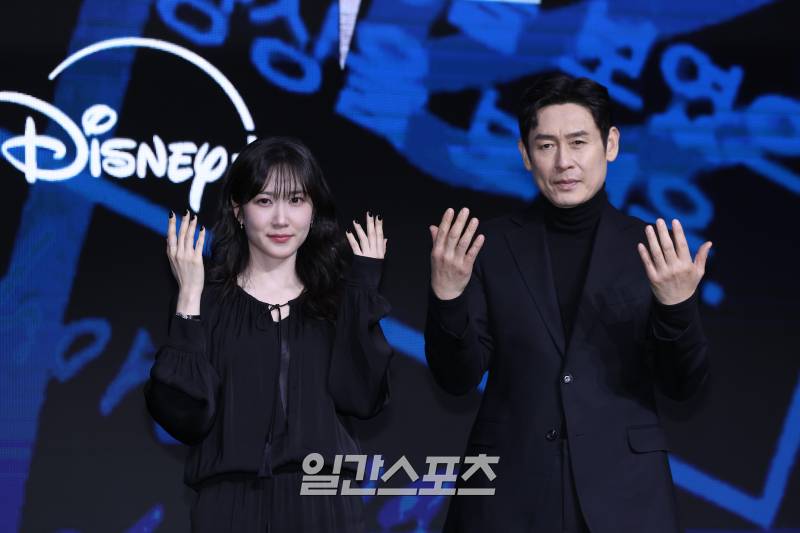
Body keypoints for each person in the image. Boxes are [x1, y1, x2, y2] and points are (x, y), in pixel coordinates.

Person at [425, 75, 711, 533]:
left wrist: (677, 307)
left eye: (578, 142)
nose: (564, 162)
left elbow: (683, 386)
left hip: (624, 495)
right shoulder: (488, 247)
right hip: (509, 496)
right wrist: (448, 296)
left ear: (610, 144)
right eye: (546, 145)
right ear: (525, 154)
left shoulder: (655, 250)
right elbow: (456, 379)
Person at [144, 137, 392, 532]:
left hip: (324, 507)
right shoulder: (209, 301)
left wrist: (363, 290)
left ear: (313, 209)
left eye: (296, 200)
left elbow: (363, 397)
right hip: (228, 508)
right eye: (264, 201)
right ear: (238, 210)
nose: (281, 219)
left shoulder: (336, 302)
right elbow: (184, 416)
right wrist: (189, 293)